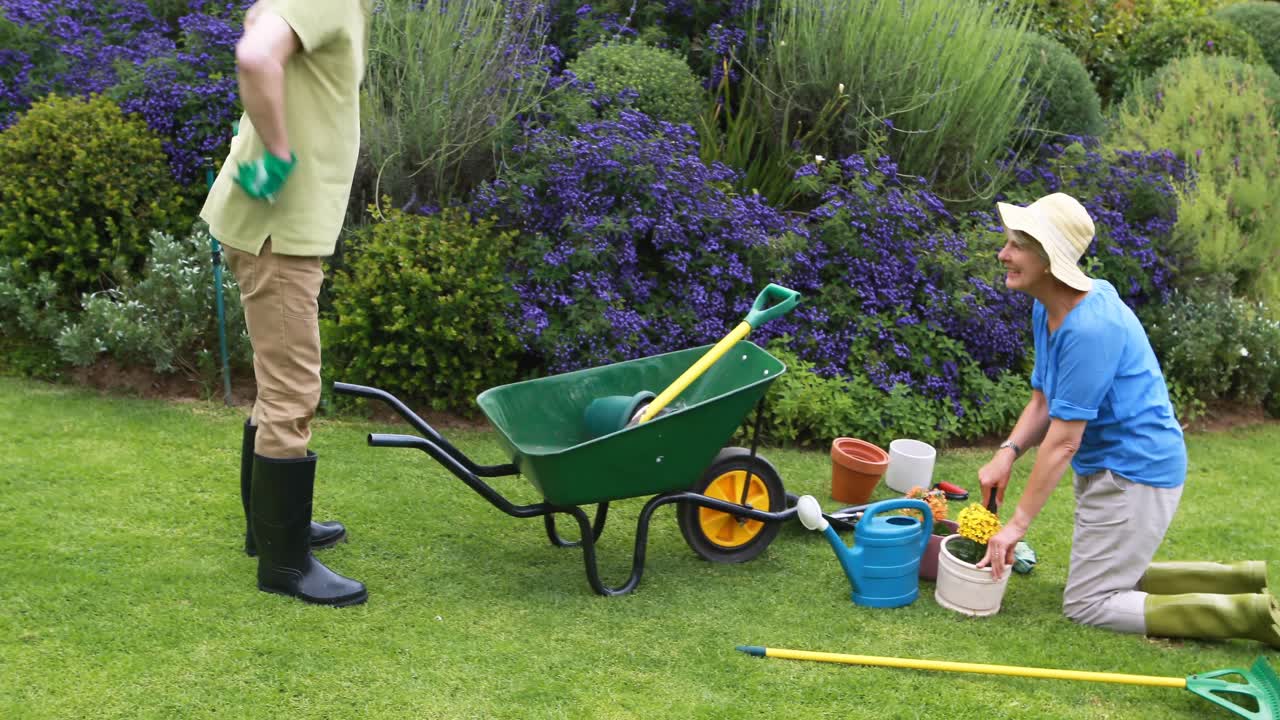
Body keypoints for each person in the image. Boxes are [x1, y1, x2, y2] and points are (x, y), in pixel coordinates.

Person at [975, 192, 1277, 648]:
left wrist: (1016, 525)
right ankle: (1239, 581)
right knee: (1097, 583)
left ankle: (1245, 614)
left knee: (1088, 604)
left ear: (1050, 258)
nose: (1004, 254)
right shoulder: (1048, 307)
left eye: (1017, 245)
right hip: (1111, 468)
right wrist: (1008, 453)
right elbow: (1043, 399)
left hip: (1136, 472)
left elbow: (1063, 442)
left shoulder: (1091, 327)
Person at [200, 0, 372, 607]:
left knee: (277, 386)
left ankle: (269, 531)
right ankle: (285, 565)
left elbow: (255, 21)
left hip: (279, 226)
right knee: (293, 390)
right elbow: (255, 52)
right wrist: (275, 151)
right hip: (280, 231)